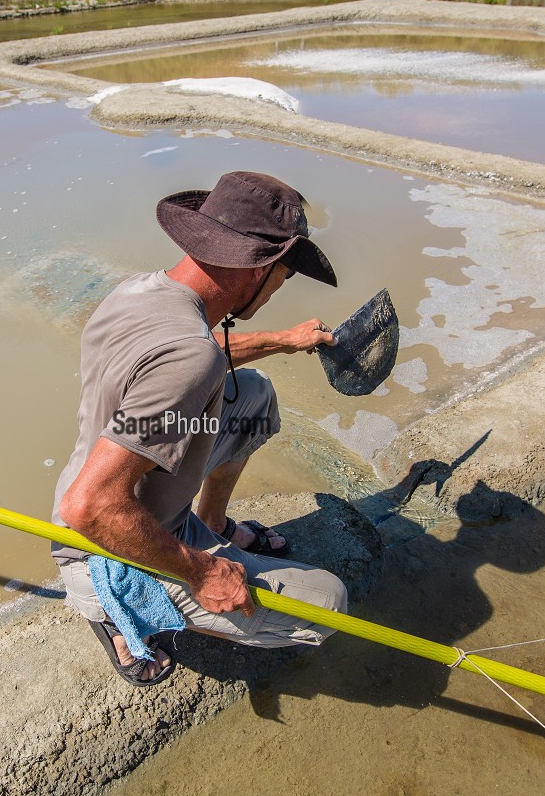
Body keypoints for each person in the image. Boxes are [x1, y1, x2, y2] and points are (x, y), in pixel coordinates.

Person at [51, 171, 350, 686]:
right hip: (105, 539)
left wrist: (285, 340)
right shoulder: (190, 357)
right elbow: (89, 506)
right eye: (286, 273)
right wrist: (203, 572)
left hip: (121, 480)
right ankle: (113, 610)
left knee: (253, 394)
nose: (282, 287)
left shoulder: (143, 291)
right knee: (328, 604)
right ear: (259, 268)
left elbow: (195, 351)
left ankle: (211, 523)